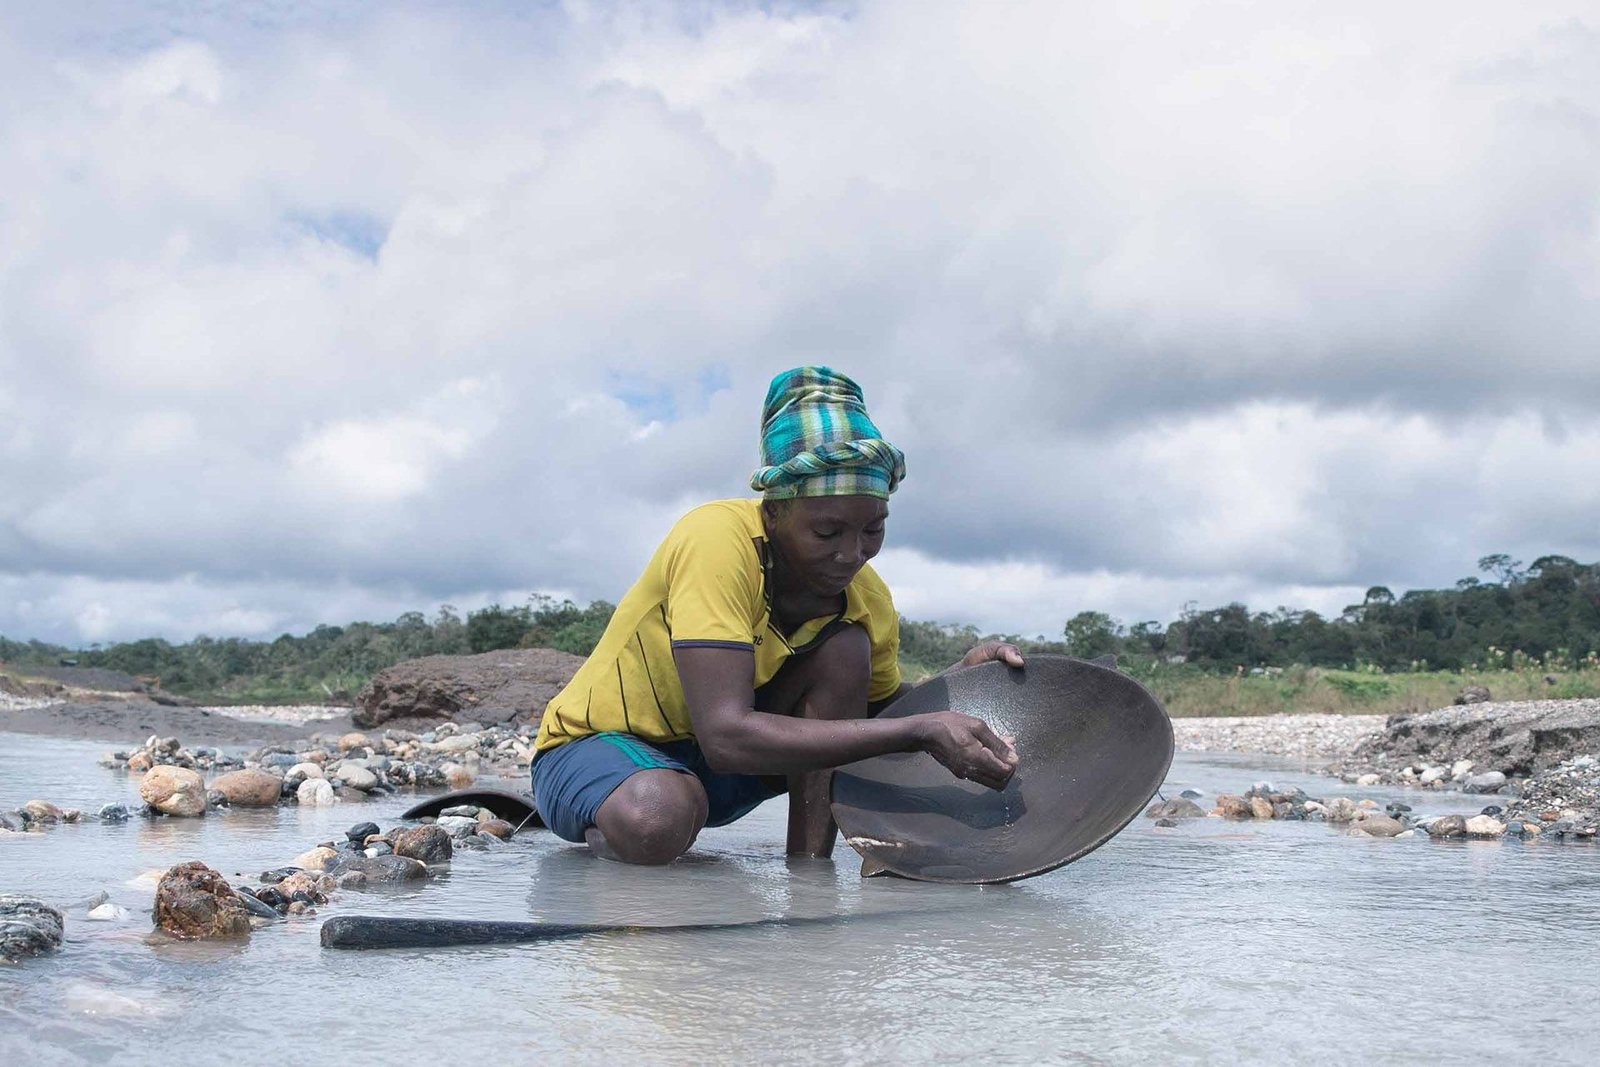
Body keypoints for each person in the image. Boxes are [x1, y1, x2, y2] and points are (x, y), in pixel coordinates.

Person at [530, 366, 1022, 865]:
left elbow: (873, 718)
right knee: (658, 816)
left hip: (716, 775)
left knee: (846, 647)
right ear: (772, 513)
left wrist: (957, 686)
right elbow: (726, 738)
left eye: (873, 530)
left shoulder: (866, 597)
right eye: (827, 533)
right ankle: (612, 836)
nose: (852, 554)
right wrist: (921, 728)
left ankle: (809, 871)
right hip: (595, 750)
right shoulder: (716, 541)